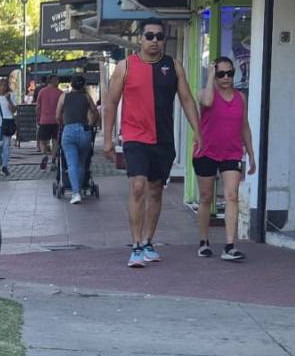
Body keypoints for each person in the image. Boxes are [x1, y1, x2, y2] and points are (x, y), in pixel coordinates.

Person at [103, 18, 201, 268]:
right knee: (137, 187)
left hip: (164, 139)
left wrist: (198, 133)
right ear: (140, 38)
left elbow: (187, 100)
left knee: (156, 190)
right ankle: (135, 245)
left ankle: (148, 241)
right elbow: (111, 103)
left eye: (159, 36)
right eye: (150, 36)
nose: (155, 41)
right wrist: (107, 139)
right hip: (135, 137)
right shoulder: (125, 67)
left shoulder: (173, 66)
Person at [194, 57, 257, 262]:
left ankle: (230, 245)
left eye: (230, 73)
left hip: (232, 152)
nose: (226, 78)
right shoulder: (204, 93)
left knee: (232, 196)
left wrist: (251, 153)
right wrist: (211, 76)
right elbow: (208, 102)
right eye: (221, 74)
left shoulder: (241, 97)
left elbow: (244, 126)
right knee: (205, 197)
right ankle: (204, 242)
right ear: (214, 74)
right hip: (206, 152)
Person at [56, 75, 99, 204]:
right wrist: (91, 124)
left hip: (68, 131)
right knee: (81, 163)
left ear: (71, 84)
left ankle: (76, 193)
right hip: (84, 131)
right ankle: (79, 189)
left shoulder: (64, 96)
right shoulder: (86, 97)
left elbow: (57, 115)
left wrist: (62, 125)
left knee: (71, 163)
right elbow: (95, 112)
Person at [35, 74, 62, 170]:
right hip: (56, 120)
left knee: (42, 141)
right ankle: (53, 161)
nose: (58, 82)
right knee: (55, 141)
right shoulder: (60, 93)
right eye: (57, 80)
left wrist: (38, 117)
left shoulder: (42, 92)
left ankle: (44, 154)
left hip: (44, 120)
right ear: (54, 81)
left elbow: (38, 106)